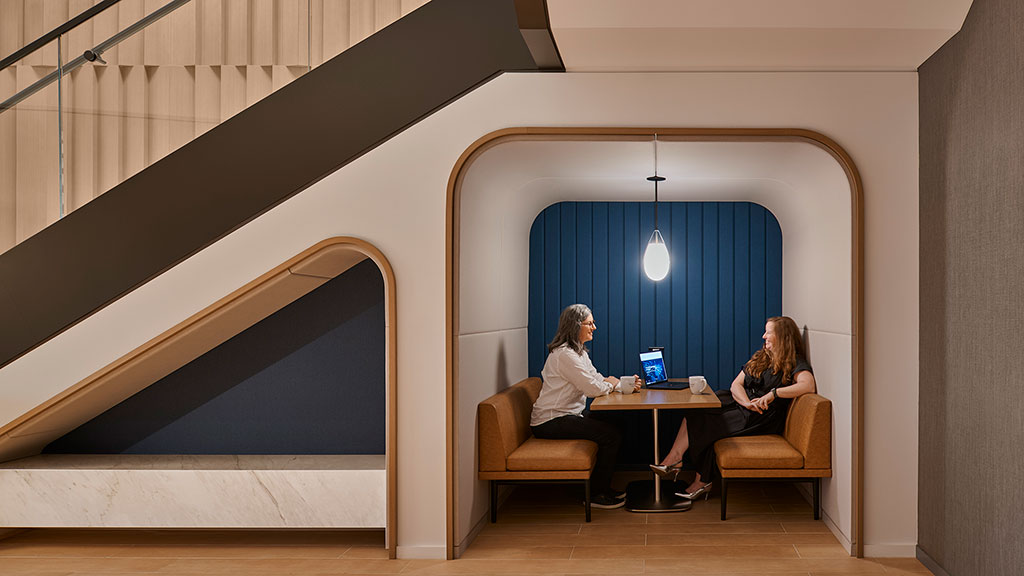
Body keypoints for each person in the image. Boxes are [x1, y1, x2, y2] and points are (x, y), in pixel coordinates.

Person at [650, 316, 816, 500]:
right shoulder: (762, 357)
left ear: (783, 337)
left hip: (762, 416)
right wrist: (745, 402)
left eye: (769, 332)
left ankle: (689, 472)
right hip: (744, 405)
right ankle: (679, 461)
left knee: (709, 424)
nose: (764, 336)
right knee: (697, 411)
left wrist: (774, 394)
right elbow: (736, 384)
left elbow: (807, 385)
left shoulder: (794, 361)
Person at [530, 304, 641, 509]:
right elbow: (592, 388)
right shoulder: (565, 356)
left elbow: (597, 378)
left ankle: (603, 487)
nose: (594, 327)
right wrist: (613, 383)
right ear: (575, 326)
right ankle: (597, 494)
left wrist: (621, 383)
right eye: (590, 323)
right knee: (611, 435)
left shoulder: (578, 352)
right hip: (551, 421)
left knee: (618, 424)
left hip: (569, 415)